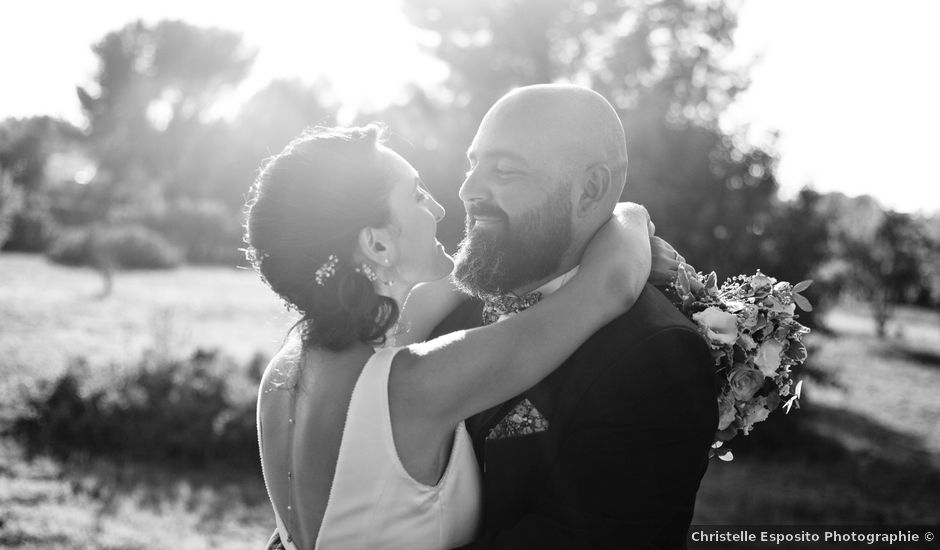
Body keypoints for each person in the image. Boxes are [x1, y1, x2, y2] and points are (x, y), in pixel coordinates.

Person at [245, 124, 668, 549]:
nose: (440, 209)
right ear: (376, 246)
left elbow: (453, 285)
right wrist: (628, 214)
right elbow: (611, 286)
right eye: (416, 195)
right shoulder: (414, 386)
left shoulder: (287, 367)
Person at [430, 84, 718, 549]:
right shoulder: (452, 308)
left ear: (590, 189)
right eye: (472, 164)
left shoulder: (657, 360)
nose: (467, 191)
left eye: (504, 169)